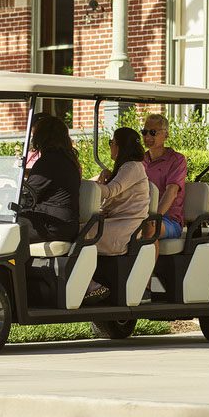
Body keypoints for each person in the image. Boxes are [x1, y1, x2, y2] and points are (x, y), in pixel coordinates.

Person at [85, 126, 151, 300]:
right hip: (114, 222)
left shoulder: (133, 167)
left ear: (121, 146)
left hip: (126, 227)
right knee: (78, 228)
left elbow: (111, 191)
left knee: (80, 234)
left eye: (112, 143)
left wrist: (88, 187)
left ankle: (90, 286)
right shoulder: (123, 168)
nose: (111, 146)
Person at [19, 113, 81, 244]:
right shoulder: (66, 159)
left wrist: (9, 193)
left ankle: (7, 265)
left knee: (3, 230)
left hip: (53, 225)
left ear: (41, 137)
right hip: (63, 223)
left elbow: (29, 195)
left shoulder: (49, 161)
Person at [142, 112, 187, 241]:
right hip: (143, 215)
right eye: (145, 132)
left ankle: (148, 262)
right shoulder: (140, 160)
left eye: (153, 132)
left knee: (148, 229)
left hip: (168, 220)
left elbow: (171, 192)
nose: (148, 136)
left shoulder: (177, 160)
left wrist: (155, 217)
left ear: (166, 134)